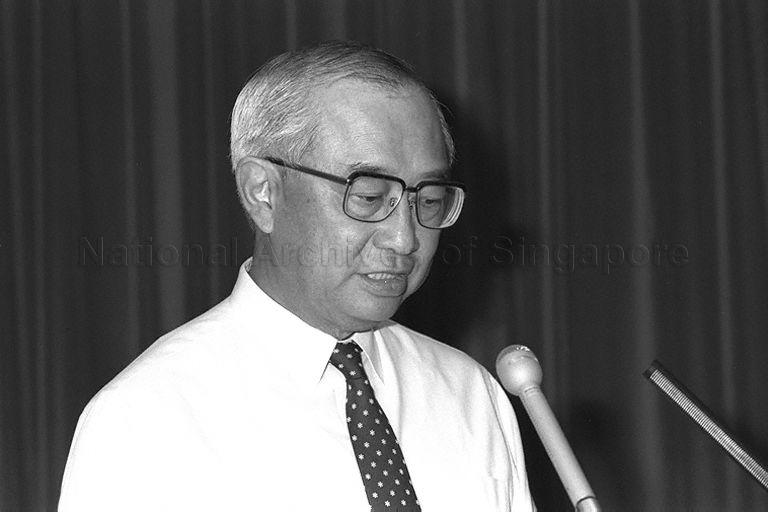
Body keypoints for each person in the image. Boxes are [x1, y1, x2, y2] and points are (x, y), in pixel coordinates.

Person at [59, 41, 535, 512]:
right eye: (369, 197)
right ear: (262, 192)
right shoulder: (146, 419)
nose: (404, 238)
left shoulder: (471, 395)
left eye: (428, 200)